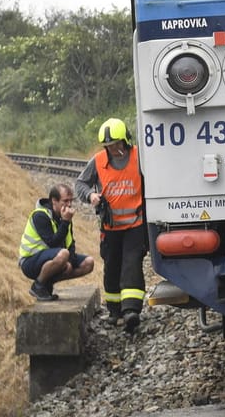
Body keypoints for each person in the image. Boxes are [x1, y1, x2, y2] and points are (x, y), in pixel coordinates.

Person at [76, 117, 148, 331]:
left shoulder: (139, 156)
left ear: (125, 140)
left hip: (136, 223)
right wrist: (91, 196)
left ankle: (131, 310)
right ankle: (114, 311)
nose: (113, 149)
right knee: (112, 267)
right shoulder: (98, 161)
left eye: (117, 144)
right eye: (109, 146)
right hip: (110, 227)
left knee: (132, 263)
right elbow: (81, 183)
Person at [19, 183, 95, 301]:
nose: (69, 205)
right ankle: (38, 285)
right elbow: (52, 243)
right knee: (63, 254)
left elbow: (70, 242)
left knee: (88, 263)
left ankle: (47, 283)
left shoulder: (63, 216)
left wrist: (69, 263)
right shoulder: (40, 215)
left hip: (51, 258)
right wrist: (65, 222)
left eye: (71, 201)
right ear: (54, 201)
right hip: (30, 261)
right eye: (65, 201)